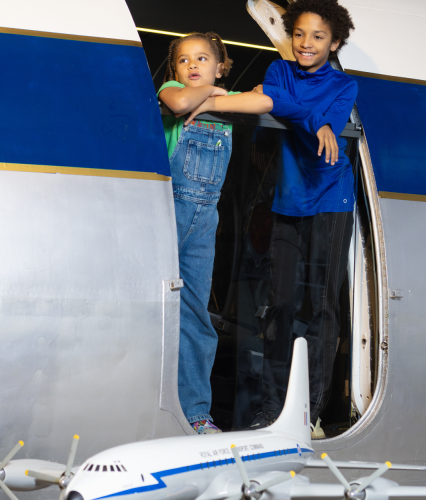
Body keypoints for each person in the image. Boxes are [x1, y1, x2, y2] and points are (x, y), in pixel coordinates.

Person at [247, 0, 357, 430]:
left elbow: (283, 107)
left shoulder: (345, 85)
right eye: (299, 34)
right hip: (288, 201)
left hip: (332, 198)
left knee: (321, 307)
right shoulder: (279, 72)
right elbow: (283, 105)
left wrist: (314, 118)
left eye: (318, 36)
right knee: (280, 306)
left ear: (336, 42)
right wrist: (318, 120)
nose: (306, 43)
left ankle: (309, 411)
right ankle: (270, 408)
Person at [157, 32, 273, 434]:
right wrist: (209, 95)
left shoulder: (222, 96)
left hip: (205, 222)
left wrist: (212, 98)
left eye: (203, 59)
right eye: (184, 60)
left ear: (221, 66)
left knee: (196, 318)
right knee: (154, 310)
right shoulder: (172, 90)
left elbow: (263, 101)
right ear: (174, 70)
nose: (192, 65)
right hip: (168, 211)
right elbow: (179, 102)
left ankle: (195, 414)